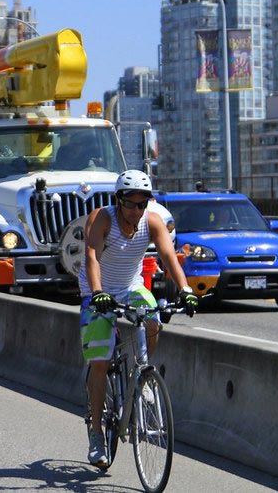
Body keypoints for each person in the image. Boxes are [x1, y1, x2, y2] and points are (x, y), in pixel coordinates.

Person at [80, 170, 198, 468]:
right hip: (98, 291)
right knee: (100, 361)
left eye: (142, 204)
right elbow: (91, 257)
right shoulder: (102, 218)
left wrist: (185, 290)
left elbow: (170, 257)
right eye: (130, 204)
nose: (136, 210)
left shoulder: (152, 221)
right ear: (118, 201)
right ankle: (96, 435)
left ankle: (143, 379)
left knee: (154, 318)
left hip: (131, 287)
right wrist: (97, 293)